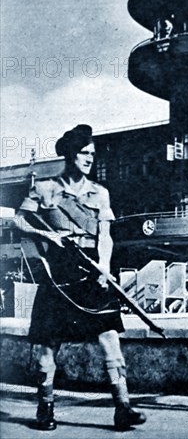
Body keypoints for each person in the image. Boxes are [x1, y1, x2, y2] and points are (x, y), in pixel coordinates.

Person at [14, 124, 146, 431]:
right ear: (70, 154)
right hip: (58, 272)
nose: (89, 159)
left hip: (92, 272)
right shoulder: (45, 188)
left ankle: (123, 407)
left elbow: (106, 236)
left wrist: (104, 265)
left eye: (92, 154)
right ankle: (45, 409)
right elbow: (20, 220)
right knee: (49, 343)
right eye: (84, 153)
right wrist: (47, 234)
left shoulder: (100, 193)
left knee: (111, 336)